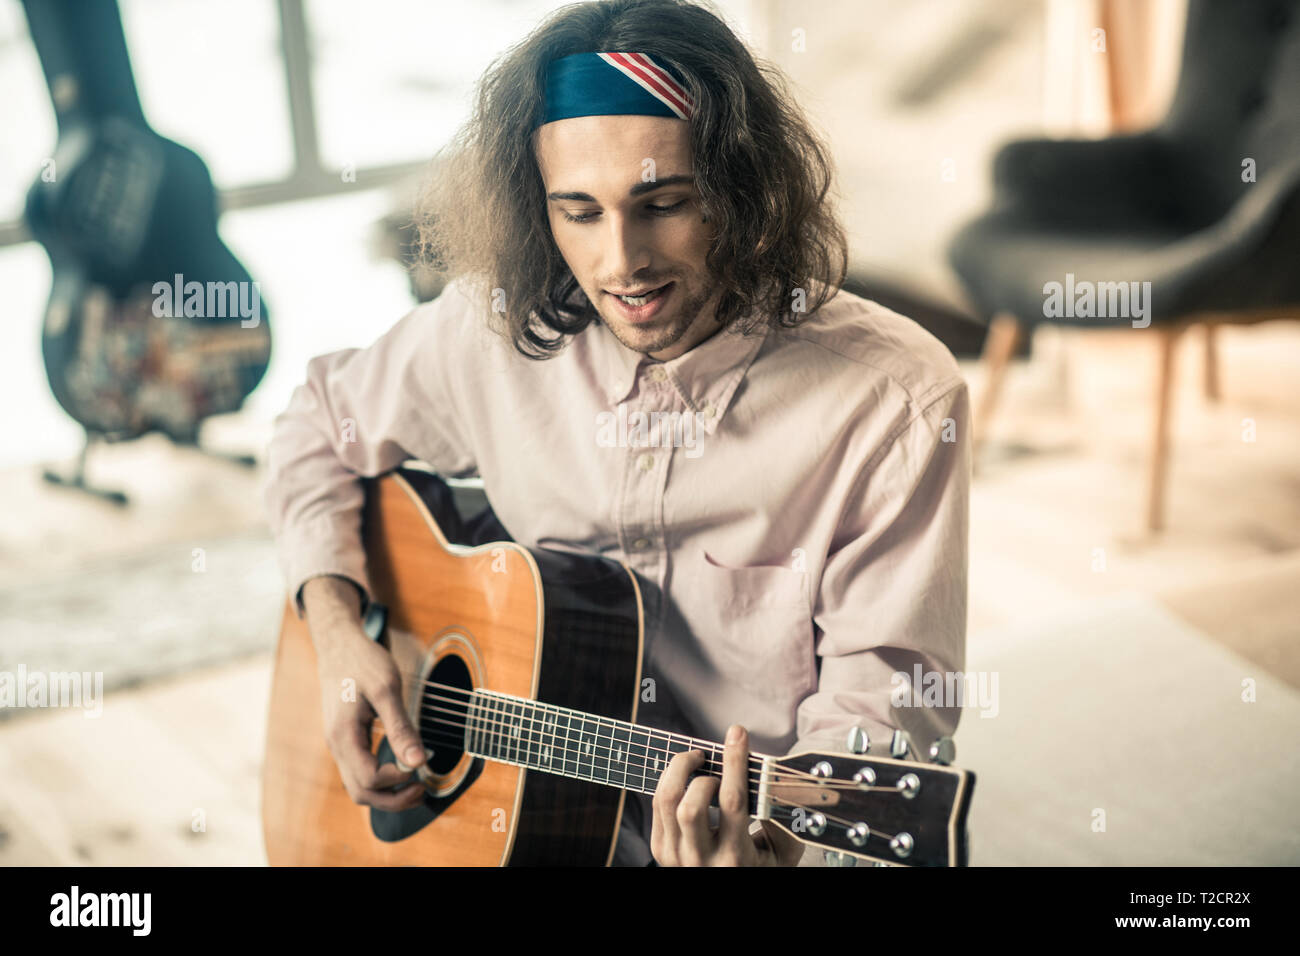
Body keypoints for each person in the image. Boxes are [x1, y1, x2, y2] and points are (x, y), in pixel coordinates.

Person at [262, 0, 969, 867]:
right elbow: (313, 424)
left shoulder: (894, 401)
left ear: (742, 194)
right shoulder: (485, 330)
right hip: (514, 827)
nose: (620, 262)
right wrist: (338, 628)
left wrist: (782, 855)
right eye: (579, 212)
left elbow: (885, 716)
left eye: (663, 202)